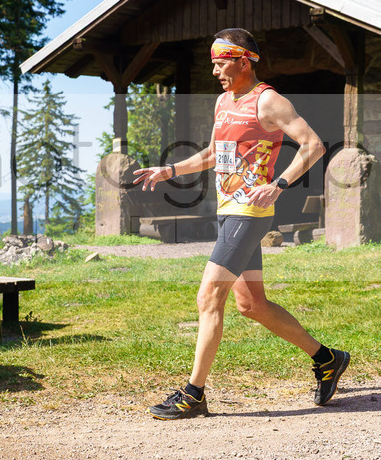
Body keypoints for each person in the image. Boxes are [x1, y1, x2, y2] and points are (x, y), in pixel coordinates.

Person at [133, 28, 349, 419]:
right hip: (227, 209)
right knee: (252, 305)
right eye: (212, 63)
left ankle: (193, 394)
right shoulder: (223, 102)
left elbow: (313, 145)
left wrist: (279, 184)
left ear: (244, 59)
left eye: (221, 62)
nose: (215, 70)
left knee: (208, 298)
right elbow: (214, 154)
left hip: (249, 212)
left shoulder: (268, 102)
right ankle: (328, 358)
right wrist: (169, 170)